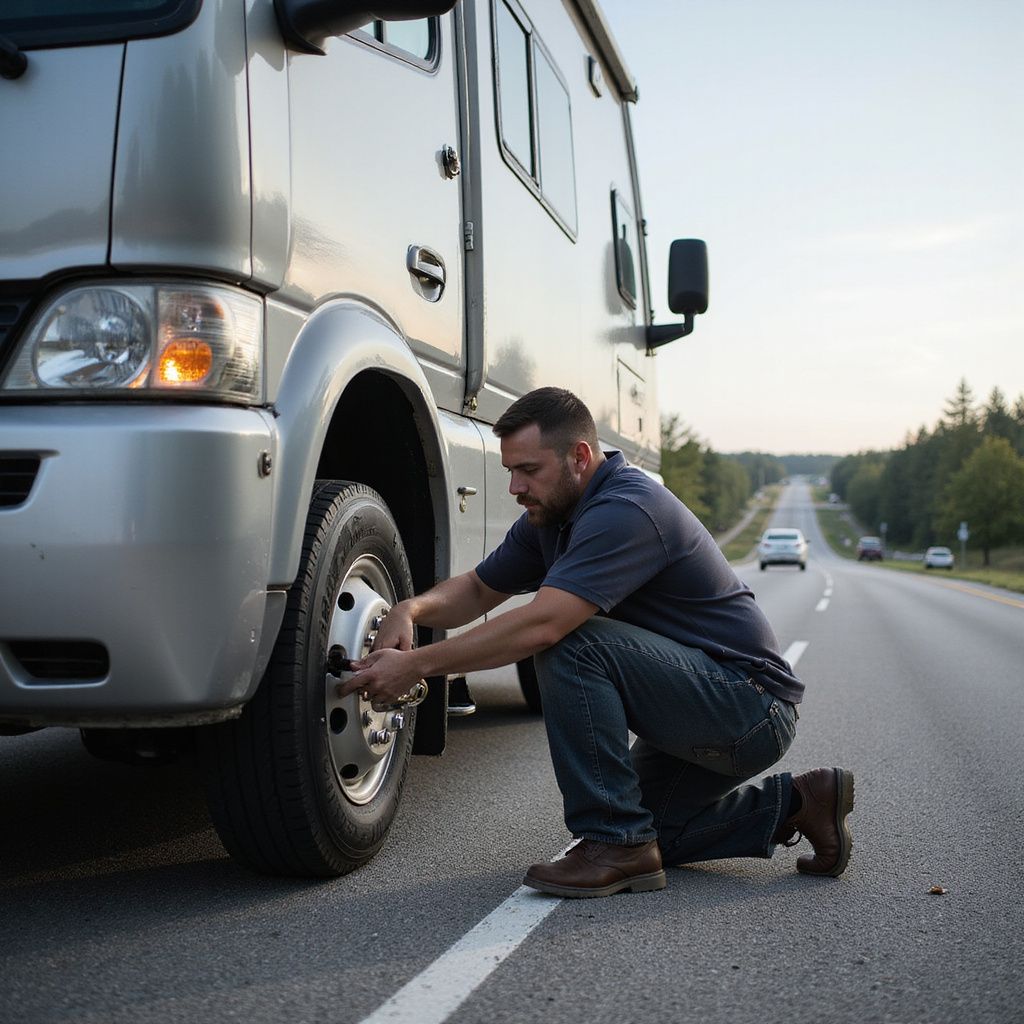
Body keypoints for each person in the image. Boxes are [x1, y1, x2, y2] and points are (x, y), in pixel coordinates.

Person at [339, 387, 854, 898]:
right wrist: (411, 608)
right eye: (509, 471)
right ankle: (802, 802)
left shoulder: (627, 509)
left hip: (749, 706)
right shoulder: (553, 515)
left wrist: (417, 667)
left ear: (579, 457)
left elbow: (543, 625)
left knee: (570, 640)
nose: (516, 486)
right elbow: (478, 588)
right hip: (707, 705)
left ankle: (615, 844)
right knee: (657, 833)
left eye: (529, 469)